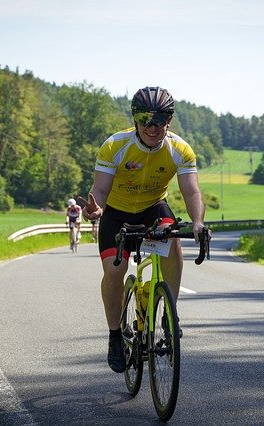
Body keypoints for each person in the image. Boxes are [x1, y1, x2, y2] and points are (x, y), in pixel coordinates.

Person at [79, 86, 205, 373]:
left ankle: (169, 316)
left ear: (169, 120)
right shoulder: (116, 145)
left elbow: (192, 193)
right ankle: (114, 336)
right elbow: (99, 188)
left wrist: (197, 222)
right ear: (135, 119)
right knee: (114, 271)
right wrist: (96, 208)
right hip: (117, 214)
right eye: (146, 118)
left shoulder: (180, 149)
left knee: (173, 238)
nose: (153, 126)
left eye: (160, 119)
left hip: (152, 209)